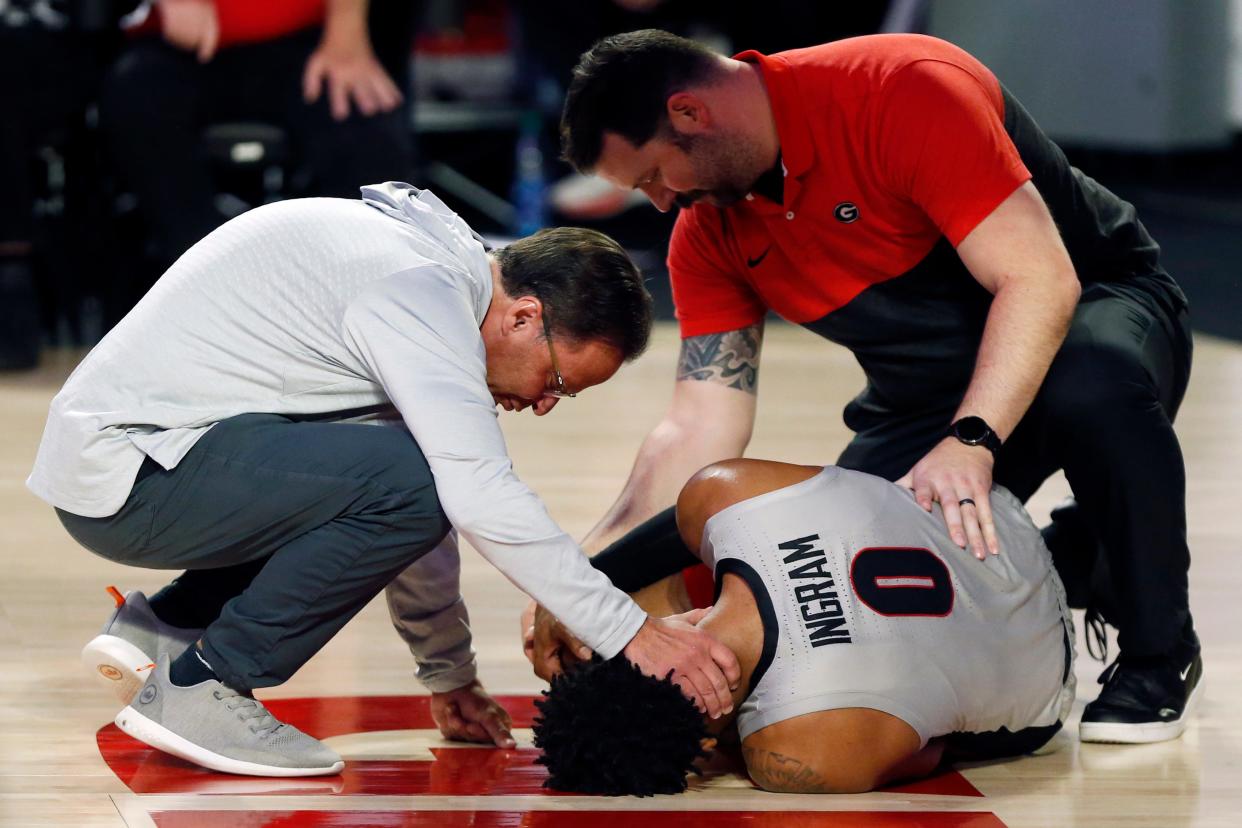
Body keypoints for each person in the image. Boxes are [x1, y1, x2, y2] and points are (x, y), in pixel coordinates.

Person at [533, 29, 1201, 744]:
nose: (662, 204)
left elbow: (1039, 279)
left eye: (653, 177)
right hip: (924, 397)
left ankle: (1158, 652)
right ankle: (1081, 548)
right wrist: (581, 578)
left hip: (1092, 309)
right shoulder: (709, 231)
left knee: (1089, 386)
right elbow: (698, 425)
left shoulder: (901, 88)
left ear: (691, 113)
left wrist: (971, 438)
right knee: (834, 564)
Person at [28, 181, 739, 777]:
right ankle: (207, 683)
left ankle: (175, 629)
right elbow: (467, 494)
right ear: (526, 316)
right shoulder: (419, 295)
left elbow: (404, 506)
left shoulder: (436, 274)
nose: (544, 405)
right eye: (557, 381)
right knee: (420, 484)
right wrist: (632, 633)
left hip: (139, 456)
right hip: (135, 477)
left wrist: (449, 674)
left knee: (403, 480)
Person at [533, 459, 1079, 795]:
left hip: (1049, 678)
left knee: (925, 708)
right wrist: (582, 588)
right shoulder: (725, 490)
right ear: (662, 629)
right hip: (995, 518)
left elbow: (934, 749)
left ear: (702, 746)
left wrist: (737, 735)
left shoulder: (797, 756)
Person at [99, 0, 416, 273]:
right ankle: (206, 289)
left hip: (309, 41)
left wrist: (346, 34)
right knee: (135, 102)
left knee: (371, 136)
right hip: (171, 44)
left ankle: (355, 302)